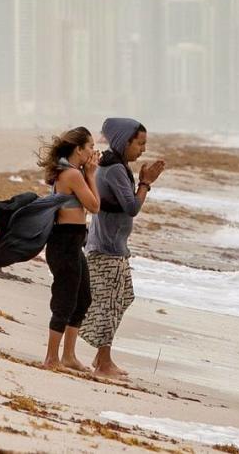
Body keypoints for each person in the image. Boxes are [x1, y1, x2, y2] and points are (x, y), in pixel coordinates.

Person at [79, 118, 165, 378]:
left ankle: (100, 353)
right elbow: (132, 208)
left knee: (121, 297)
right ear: (124, 141)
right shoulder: (115, 168)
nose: (143, 149)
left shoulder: (114, 165)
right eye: (140, 143)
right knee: (109, 303)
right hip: (107, 248)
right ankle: (103, 361)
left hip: (109, 245)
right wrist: (145, 183)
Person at [36, 127, 100, 371]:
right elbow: (94, 206)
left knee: (83, 298)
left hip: (73, 242)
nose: (93, 151)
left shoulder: (71, 171)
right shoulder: (72, 174)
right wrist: (91, 175)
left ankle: (69, 356)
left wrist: (87, 172)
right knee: (65, 300)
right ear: (78, 149)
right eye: (90, 147)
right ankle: (51, 358)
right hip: (63, 242)